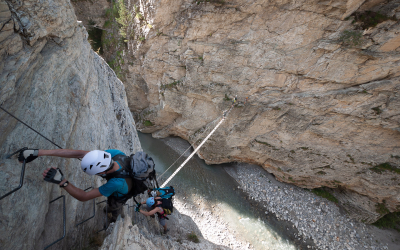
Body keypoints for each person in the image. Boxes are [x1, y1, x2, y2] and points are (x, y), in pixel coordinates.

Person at [19, 148, 134, 222]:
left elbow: (84, 196)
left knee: (115, 205)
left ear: (102, 172)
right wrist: (39, 152)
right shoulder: (113, 155)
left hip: (120, 193)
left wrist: (62, 182)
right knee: (111, 199)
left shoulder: (115, 182)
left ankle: (115, 218)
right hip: (121, 181)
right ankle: (110, 210)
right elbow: (80, 153)